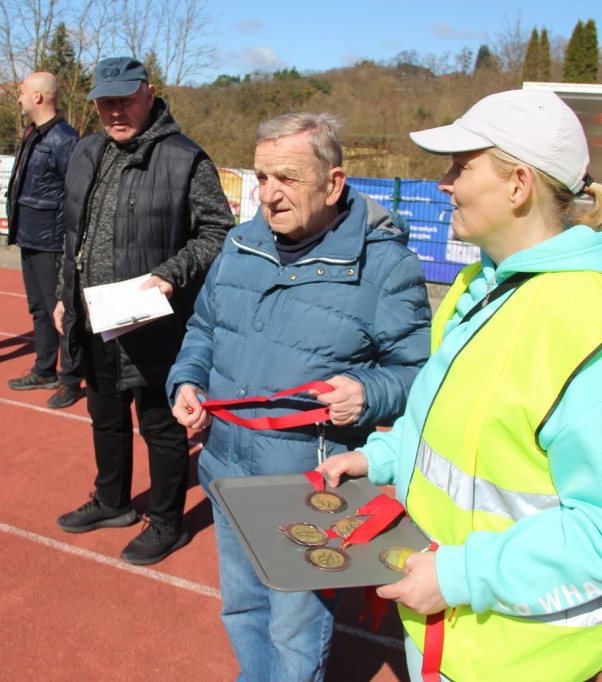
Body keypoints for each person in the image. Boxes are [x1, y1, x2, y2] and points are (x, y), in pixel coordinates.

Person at [316, 89, 602, 682]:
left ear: (518, 184)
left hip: (519, 658)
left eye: (461, 167)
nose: (443, 182)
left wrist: (460, 576)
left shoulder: (594, 329)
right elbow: (454, 428)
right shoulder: (479, 288)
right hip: (454, 636)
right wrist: (382, 457)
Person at [167, 112, 433, 680]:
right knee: (242, 609)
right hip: (226, 471)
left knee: (294, 631)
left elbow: (421, 374)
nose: (268, 195)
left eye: (286, 178)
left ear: (333, 183)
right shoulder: (240, 243)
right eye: (261, 178)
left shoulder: (385, 266)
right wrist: (186, 381)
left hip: (305, 489)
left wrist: (368, 393)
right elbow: (204, 330)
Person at [53, 57, 234, 565]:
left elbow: (219, 233)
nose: (115, 112)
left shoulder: (185, 158)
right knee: (104, 416)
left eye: (124, 100)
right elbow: (71, 233)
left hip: (154, 320)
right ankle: (112, 502)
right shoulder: (86, 151)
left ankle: (167, 522)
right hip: (92, 317)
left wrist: (172, 275)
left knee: (160, 426)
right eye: (105, 102)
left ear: (149, 94)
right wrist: (65, 296)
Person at [5, 72, 84, 409]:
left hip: (52, 243)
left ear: (38, 96)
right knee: (39, 309)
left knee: (62, 313)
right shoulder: (34, 134)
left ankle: (70, 379)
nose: (18, 98)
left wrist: (70, 245)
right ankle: (44, 369)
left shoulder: (65, 139)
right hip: (30, 237)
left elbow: (77, 196)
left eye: (22, 92)